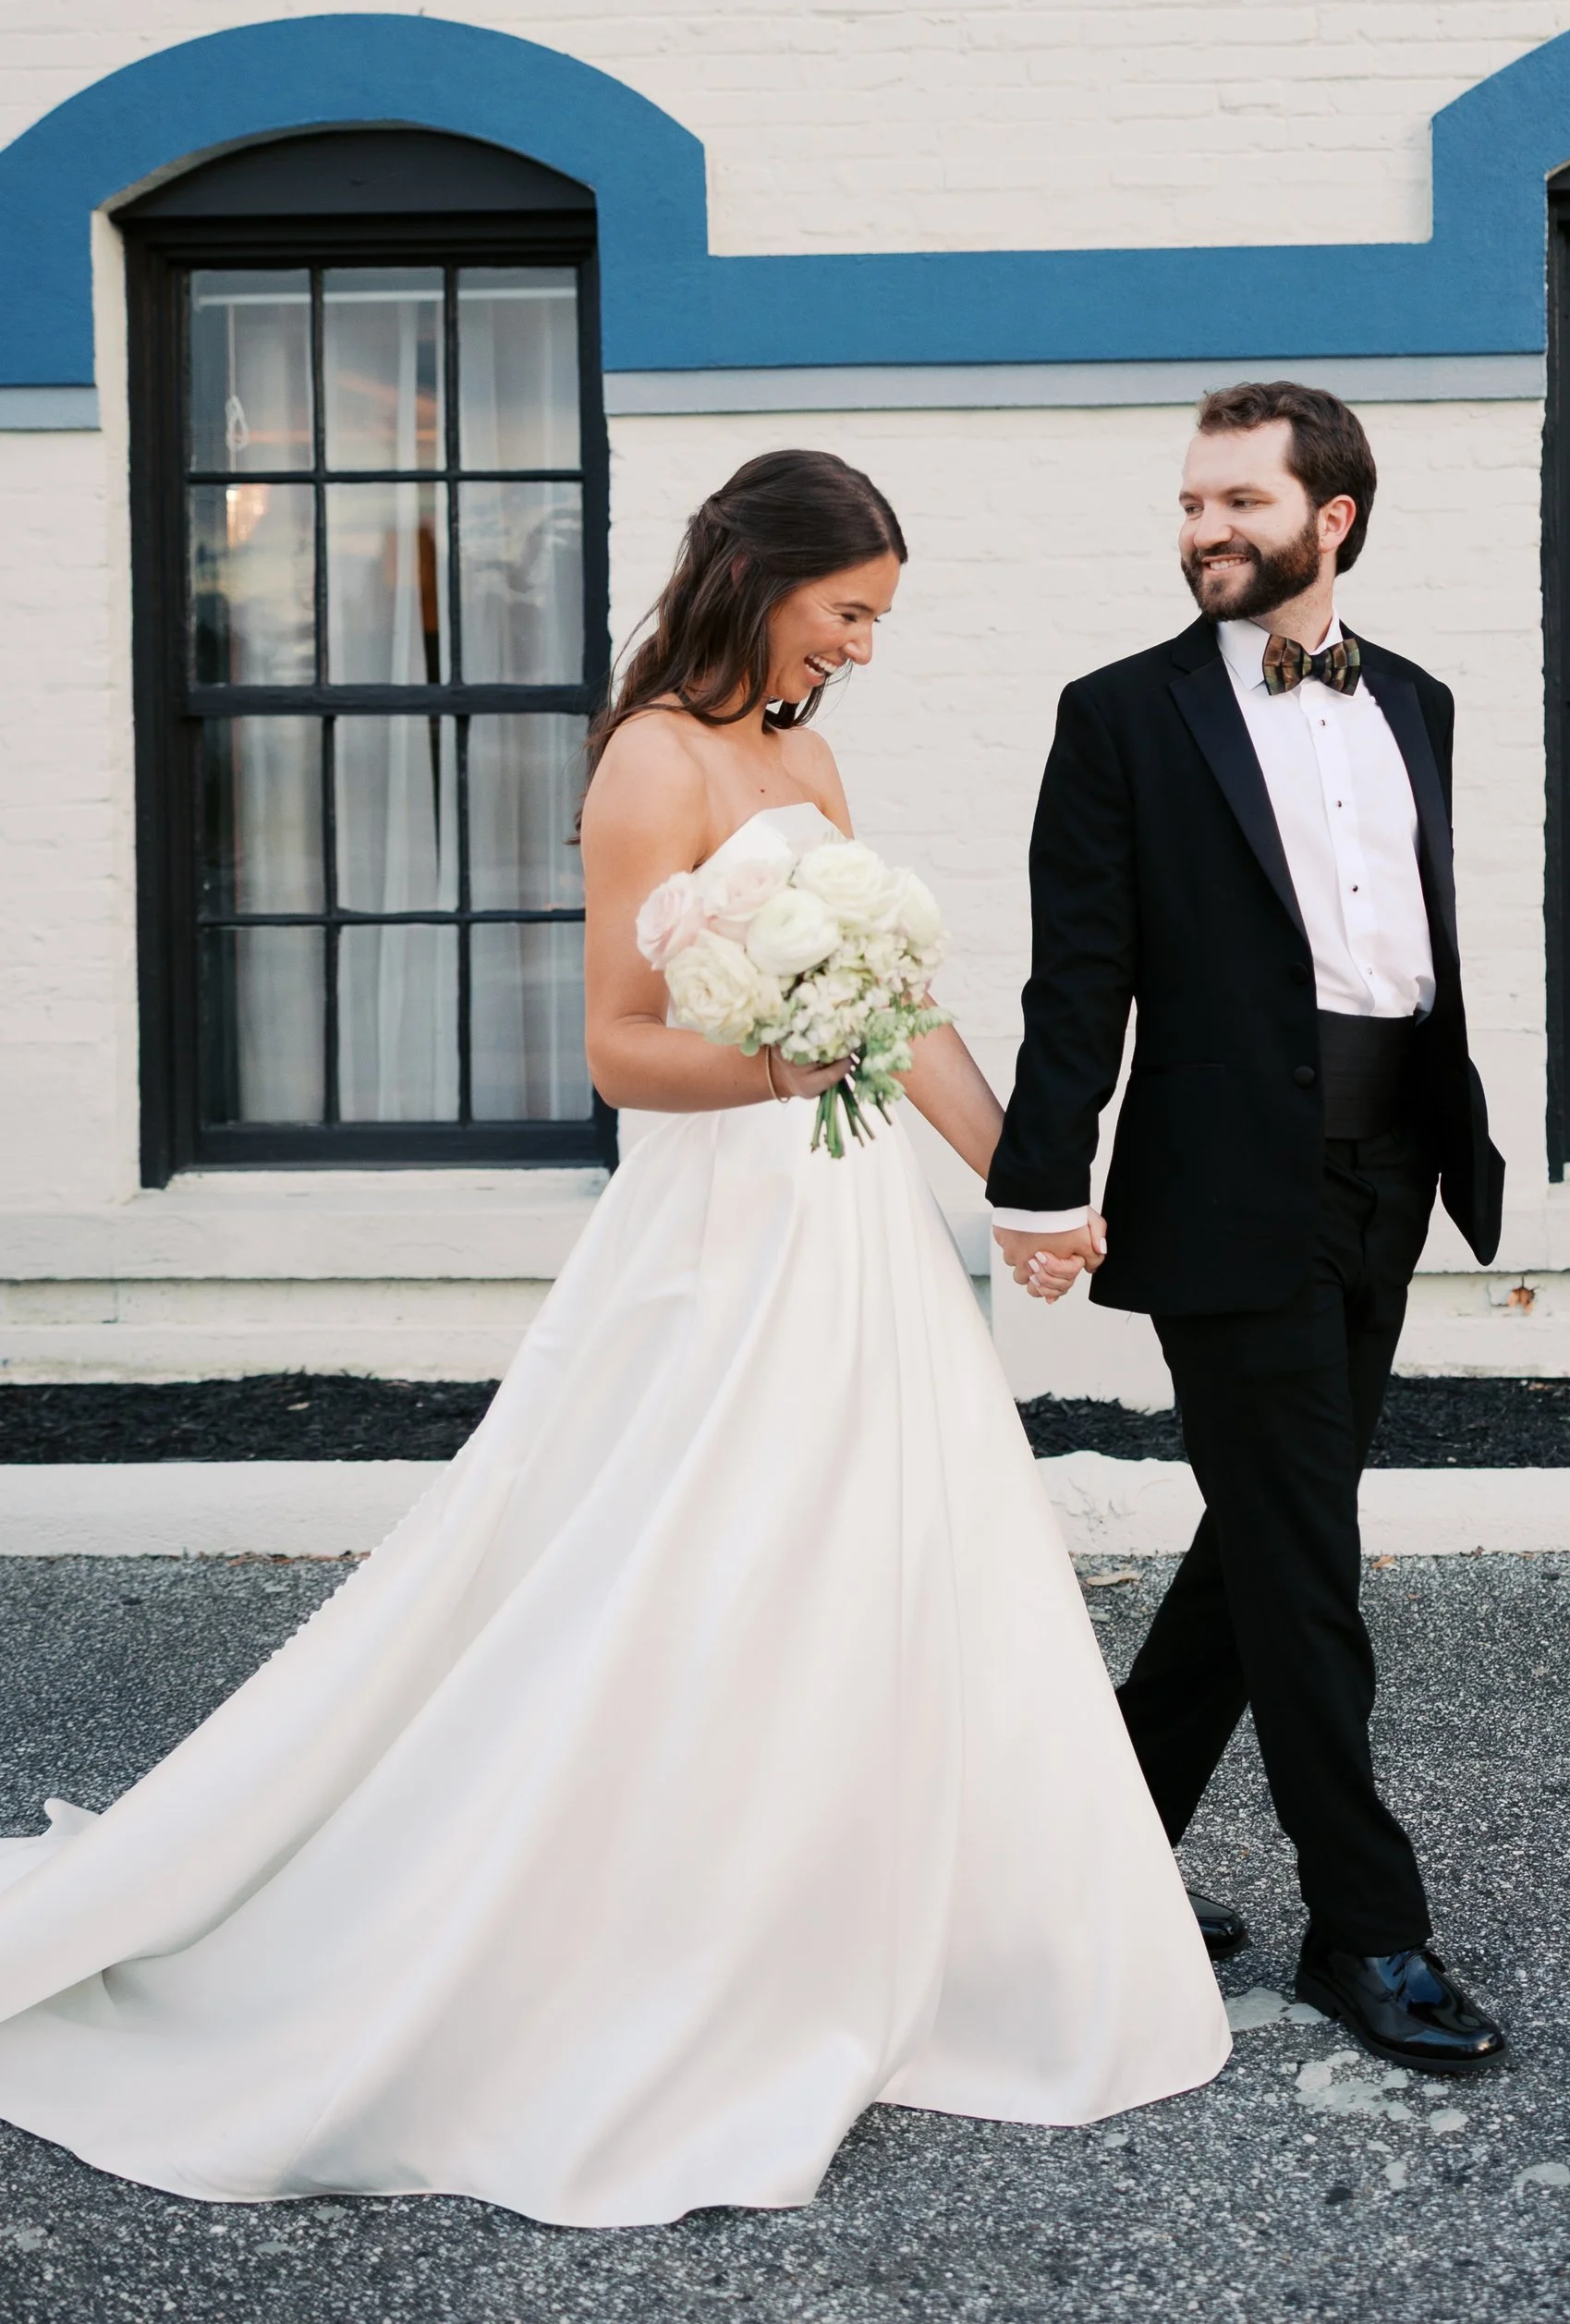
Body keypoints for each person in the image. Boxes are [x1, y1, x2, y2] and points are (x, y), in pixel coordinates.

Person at [0, 450, 1226, 2228]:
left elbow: (908, 1010)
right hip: (718, 1231)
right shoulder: (653, 755)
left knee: (890, 1559)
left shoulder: (807, 750)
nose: (869, 646)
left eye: (881, 616)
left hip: (853, 1222)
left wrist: (1033, 1192)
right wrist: (792, 1058)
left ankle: (900, 1933)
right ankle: (651, 1946)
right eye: (852, 609)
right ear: (760, 576)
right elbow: (619, 1046)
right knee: (693, 1567)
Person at [988, 383, 1509, 2075]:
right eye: (1192, 502)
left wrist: (1443, 1144)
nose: (1204, 529)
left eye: (1237, 501)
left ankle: (1103, 1848)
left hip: (1394, 1173)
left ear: (1330, 516)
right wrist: (1042, 1178)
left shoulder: (1417, 699)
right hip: (1227, 1190)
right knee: (1306, 1563)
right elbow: (1080, 979)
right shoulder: (1122, 715)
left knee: (1264, 1534)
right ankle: (1368, 1922)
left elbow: (1406, 949)